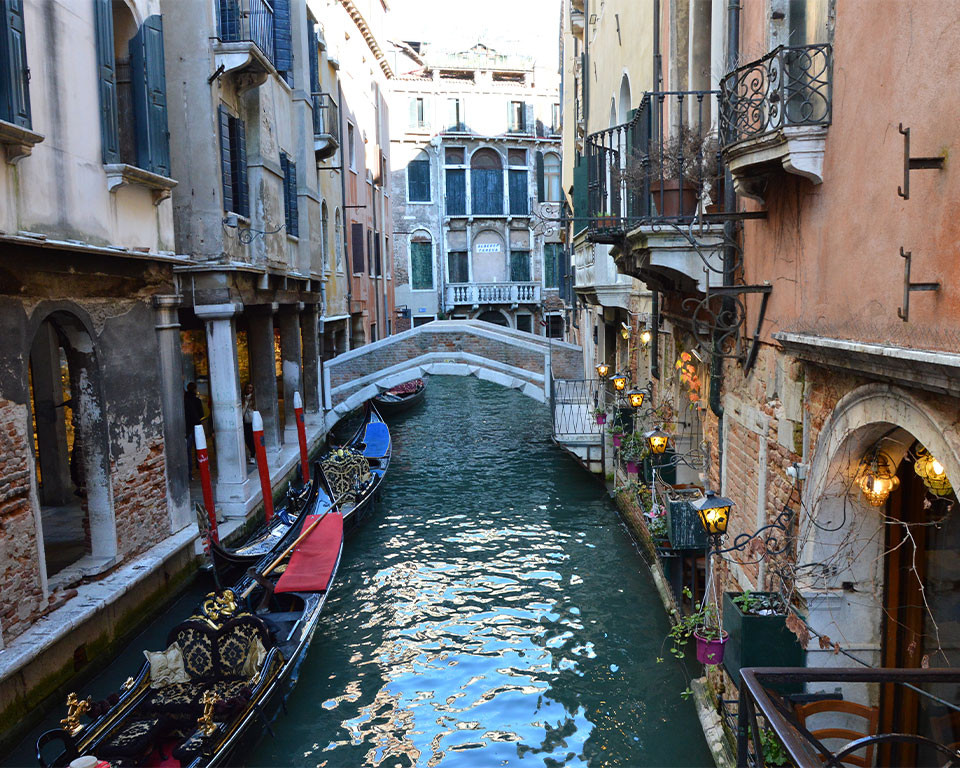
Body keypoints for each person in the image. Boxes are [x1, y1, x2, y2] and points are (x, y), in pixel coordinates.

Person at [184, 382, 206, 478]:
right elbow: (201, 414)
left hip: (187, 426)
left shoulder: (184, 400)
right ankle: (200, 465)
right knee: (199, 447)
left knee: (188, 450)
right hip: (196, 426)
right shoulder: (196, 400)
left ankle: (189, 473)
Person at [242, 382, 256, 464]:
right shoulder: (243, 398)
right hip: (244, 421)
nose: (249, 389)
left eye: (250, 388)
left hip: (252, 421)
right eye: (248, 388)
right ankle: (252, 452)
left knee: (252, 439)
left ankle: (252, 455)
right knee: (247, 439)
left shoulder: (253, 399)